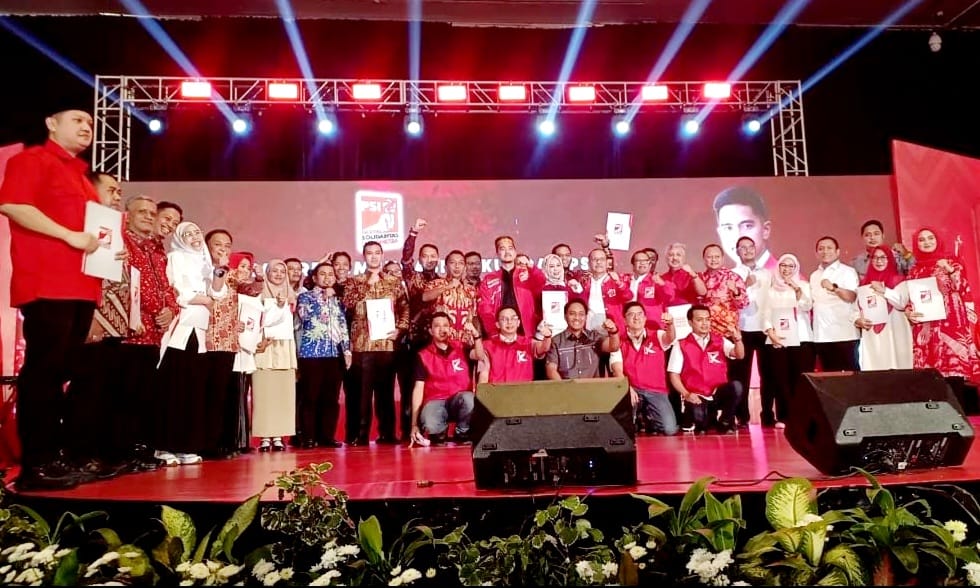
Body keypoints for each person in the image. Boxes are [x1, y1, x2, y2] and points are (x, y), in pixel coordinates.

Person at [0, 106, 106, 490]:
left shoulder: (82, 177)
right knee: (43, 373)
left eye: (90, 123)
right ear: (51, 123)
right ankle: (37, 463)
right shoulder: (33, 160)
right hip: (47, 284)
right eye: (77, 120)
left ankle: (59, 455)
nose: (87, 127)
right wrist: (68, 236)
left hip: (82, 287)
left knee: (64, 372)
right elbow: (12, 205)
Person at [342, 241, 410, 445]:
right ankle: (361, 434)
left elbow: (404, 307)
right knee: (362, 393)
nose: (373, 256)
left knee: (385, 391)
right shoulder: (355, 281)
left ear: (382, 255)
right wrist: (368, 283)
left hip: (386, 344)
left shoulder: (393, 281)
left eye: (377, 253)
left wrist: (400, 329)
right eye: (369, 253)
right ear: (364, 256)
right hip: (362, 344)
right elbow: (348, 303)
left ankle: (387, 433)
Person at [905, 228, 980, 384]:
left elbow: (963, 288)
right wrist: (909, 312)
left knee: (955, 375)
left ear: (937, 240)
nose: (926, 242)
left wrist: (949, 269)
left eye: (930, 238)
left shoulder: (952, 263)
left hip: (951, 323)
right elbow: (911, 299)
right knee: (931, 380)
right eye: (921, 240)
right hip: (927, 327)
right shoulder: (914, 270)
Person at [296, 262, 351, 448]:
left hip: (334, 354)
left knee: (330, 398)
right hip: (311, 353)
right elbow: (305, 316)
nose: (327, 278)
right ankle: (308, 437)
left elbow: (342, 325)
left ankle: (326, 436)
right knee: (310, 396)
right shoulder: (305, 297)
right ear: (314, 278)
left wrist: (347, 350)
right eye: (323, 274)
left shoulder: (338, 300)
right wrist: (322, 298)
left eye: (331, 274)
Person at [668, 305, 745, 434]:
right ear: (690, 322)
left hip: (717, 393)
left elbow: (739, 355)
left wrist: (738, 340)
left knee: (736, 387)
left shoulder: (719, 340)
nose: (705, 323)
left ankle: (725, 421)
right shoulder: (681, 344)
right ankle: (706, 418)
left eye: (707, 319)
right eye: (699, 320)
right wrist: (686, 394)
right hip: (697, 395)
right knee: (701, 424)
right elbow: (673, 374)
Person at [761, 253, 814, 428]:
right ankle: (784, 416)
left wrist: (796, 289)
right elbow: (765, 315)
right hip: (778, 340)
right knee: (780, 379)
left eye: (791, 266)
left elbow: (807, 306)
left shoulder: (803, 286)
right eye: (783, 265)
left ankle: (803, 415)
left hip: (802, 339)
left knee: (800, 379)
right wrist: (771, 333)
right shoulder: (771, 290)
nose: (787, 269)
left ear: (796, 268)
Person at [409, 312, 478, 445]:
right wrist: (414, 424)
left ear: (450, 328)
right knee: (431, 422)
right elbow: (418, 389)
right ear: (430, 331)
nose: (442, 329)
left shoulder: (462, 347)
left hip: (458, 400)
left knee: (469, 399)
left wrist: (476, 336)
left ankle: (462, 432)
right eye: (437, 326)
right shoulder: (423, 355)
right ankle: (439, 433)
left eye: (445, 325)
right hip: (436, 401)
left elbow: (480, 355)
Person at [252, 259, 299, 452]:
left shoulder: (291, 294)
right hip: (265, 347)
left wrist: (284, 302)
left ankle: (279, 436)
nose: (279, 274)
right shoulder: (258, 293)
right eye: (274, 271)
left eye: (282, 271)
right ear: (267, 273)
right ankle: (264, 437)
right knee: (264, 393)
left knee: (283, 394)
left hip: (285, 347)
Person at [619, 302, 677, 435]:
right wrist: (628, 388)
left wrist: (670, 325)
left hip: (656, 391)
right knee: (625, 429)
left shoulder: (657, 335)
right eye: (631, 314)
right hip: (632, 391)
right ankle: (638, 418)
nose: (636, 317)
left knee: (669, 429)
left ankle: (649, 418)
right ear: (625, 320)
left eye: (640, 314)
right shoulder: (619, 341)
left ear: (645, 318)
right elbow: (617, 369)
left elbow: (670, 338)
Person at [853, 245, 913, 371]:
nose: (878, 261)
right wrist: (858, 320)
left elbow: (901, 303)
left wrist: (884, 290)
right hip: (872, 333)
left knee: (897, 367)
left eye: (883, 257)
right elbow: (856, 307)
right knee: (875, 368)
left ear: (890, 259)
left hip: (894, 330)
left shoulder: (899, 280)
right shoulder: (865, 283)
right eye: (875, 258)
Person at [809, 236, 860, 371]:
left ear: (837, 252)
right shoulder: (814, 275)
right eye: (821, 249)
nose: (825, 251)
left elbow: (852, 297)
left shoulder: (847, 271)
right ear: (816, 253)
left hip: (844, 334)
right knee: (829, 377)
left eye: (829, 248)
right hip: (821, 336)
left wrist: (834, 288)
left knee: (849, 376)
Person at [473, 306, 552, 383]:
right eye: (504, 319)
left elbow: (544, 348)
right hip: (497, 390)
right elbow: (483, 374)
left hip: (523, 390)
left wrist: (547, 337)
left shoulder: (527, 343)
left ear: (518, 323)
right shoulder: (488, 345)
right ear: (497, 324)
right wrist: (483, 390)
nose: (509, 322)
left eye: (513, 318)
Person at [545, 300, 621, 380]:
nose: (577, 318)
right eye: (572, 314)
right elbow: (551, 370)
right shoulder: (556, 341)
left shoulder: (595, 337)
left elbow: (613, 347)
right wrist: (564, 387)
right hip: (567, 386)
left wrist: (613, 332)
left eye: (581, 314)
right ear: (565, 316)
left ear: (586, 317)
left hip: (594, 386)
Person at [712, 186, 777, 272]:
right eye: (728, 228)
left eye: (747, 226)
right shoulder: (728, 277)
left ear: (765, 230)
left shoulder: (783, 277)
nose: (737, 238)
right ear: (720, 233)